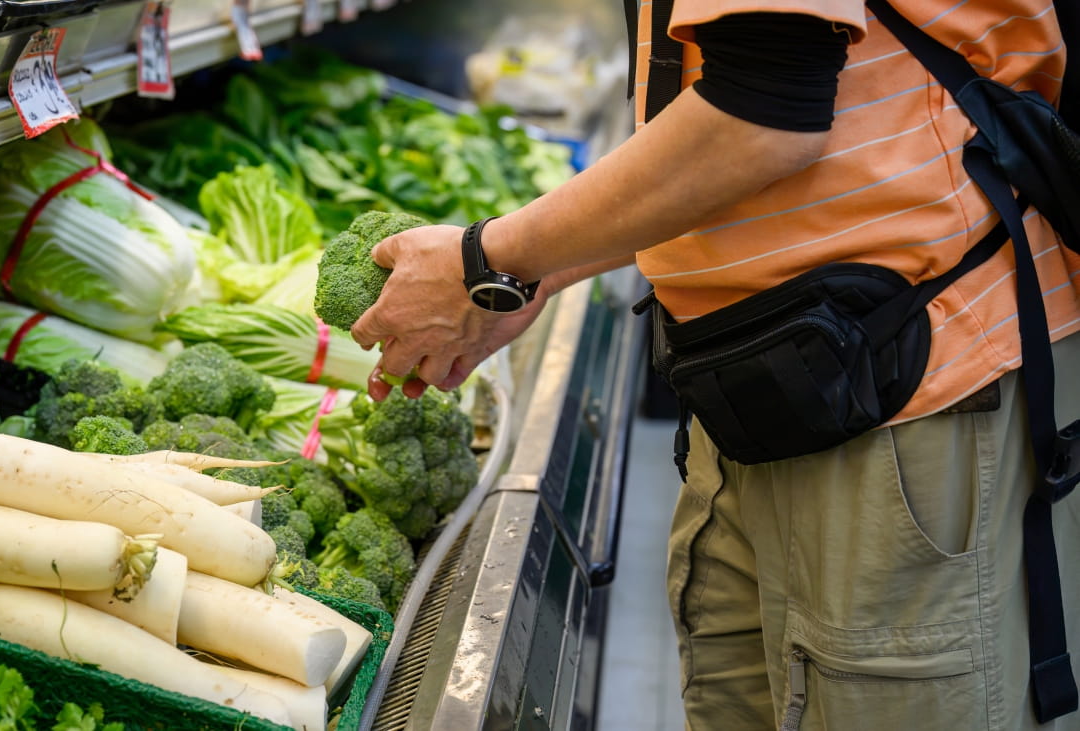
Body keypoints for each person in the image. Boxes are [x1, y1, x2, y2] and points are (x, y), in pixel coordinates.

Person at [347, 1, 1080, 729]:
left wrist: (490, 259)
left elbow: (765, 111)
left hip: (908, 384)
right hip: (777, 379)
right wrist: (537, 273)